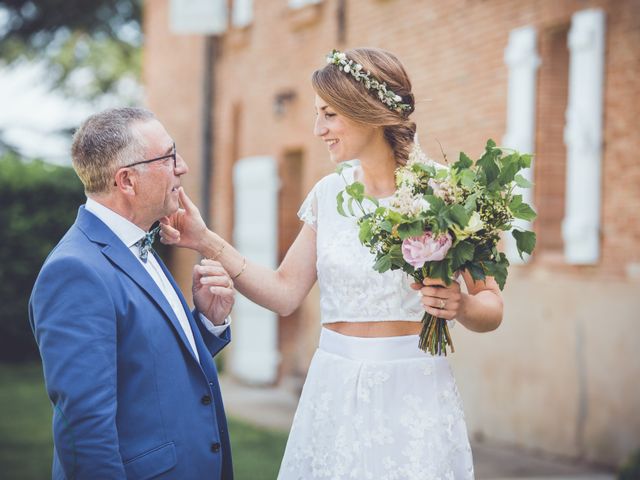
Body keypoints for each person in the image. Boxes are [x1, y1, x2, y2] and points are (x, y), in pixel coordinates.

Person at [161, 48, 503, 479]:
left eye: (329, 115)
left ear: (368, 111)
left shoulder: (445, 191)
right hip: (333, 389)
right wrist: (204, 239)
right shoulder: (329, 194)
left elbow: (491, 303)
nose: (318, 129)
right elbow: (284, 293)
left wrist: (464, 307)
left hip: (414, 393)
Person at [29, 107, 235, 479]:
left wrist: (205, 322)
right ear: (126, 181)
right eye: (170, 156)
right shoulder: (75, 271)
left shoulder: (138, 245)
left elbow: (150, 367)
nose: (183, 167)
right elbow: (85, 431)